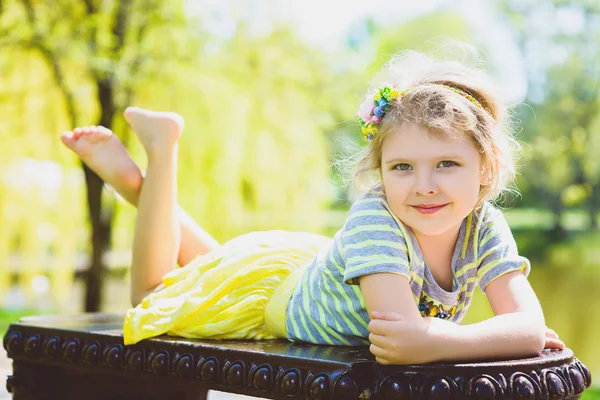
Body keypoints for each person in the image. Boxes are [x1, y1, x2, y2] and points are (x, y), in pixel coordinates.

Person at [60, 49, 565, 365]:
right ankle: (162, 153)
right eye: (402, 168)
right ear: (380, 171)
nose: (424, 187)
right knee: (153, 294)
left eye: (448, 165)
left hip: (307, 270)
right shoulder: (375, 218)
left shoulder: (486, 223)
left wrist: (467, 339)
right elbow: (403, 338)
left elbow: (518, 328)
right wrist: (490, 338)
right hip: (278, 302)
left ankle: (135, 188)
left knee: (213, 263)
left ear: (487, 170)